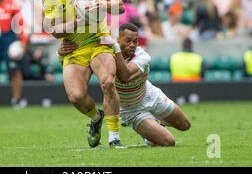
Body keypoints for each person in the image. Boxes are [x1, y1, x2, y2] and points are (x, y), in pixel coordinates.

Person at [41, 0, 126, 149]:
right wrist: (80, 21)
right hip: (73, 48)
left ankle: (114, 138)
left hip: (98, 41)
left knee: (107, 82)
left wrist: (102, 5)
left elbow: (120, 7)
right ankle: (96, 118)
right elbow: (54, 30)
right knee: (77, 97)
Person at [58, 22, 191, 147]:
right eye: (128, 41)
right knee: (169, 142)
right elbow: (77, 73)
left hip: (151, 96)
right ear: (118, 39)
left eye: (135, 41)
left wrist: (115, 48)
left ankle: (159, 123)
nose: (132, 45)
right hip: (132, 111)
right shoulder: (104, 57)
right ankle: (148, 134)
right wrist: (62, 56)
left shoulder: (143, 56)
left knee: (185, 125)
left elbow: (125, 77)